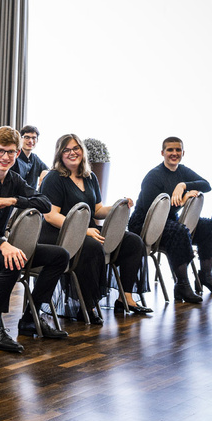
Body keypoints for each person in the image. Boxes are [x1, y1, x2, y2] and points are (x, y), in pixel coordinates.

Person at [0, 126, 70, 353]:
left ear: (17, 153)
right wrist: (4, 244)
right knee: (13, 260)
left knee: (60, 256)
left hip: (0, 247)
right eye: (1, 151)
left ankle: (30, 318)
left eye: (11, 152)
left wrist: (11, 200)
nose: (5, 157)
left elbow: (45, 204)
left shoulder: (14, 180)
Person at [39, 133, 149, 324]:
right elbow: (51, 215)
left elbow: (97, 210)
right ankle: (86, 305)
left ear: (82, 151)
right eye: (66, 150)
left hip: (87, 231)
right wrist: (81, 231)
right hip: (59, 235)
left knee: (133, 242)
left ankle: (126, 298)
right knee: (91, 247)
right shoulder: (54, 178)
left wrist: (117, 205)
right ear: (59, 154)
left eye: (76, 148)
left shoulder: (89, 177)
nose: (72, 153)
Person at [127, 136, 212, 303]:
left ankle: (206, 276)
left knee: (211, 226)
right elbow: (152, 211)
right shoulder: (153, 176)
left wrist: (183, 185)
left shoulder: (182, 171)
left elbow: (206, 185)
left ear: (183, 152)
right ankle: (182, 284)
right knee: (179, 231)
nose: (174, 153)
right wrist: (182, 201)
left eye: (178, 150)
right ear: (162, 153)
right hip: (145, 223)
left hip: (169, 220)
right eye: (170, 150)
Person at [14, 125, 49, 189]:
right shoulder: (14, 157)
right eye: (27, 137)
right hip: (15, 197)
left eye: (33, 138)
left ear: (37, 140)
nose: (30, 141)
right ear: (20, 139)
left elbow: (49, 170)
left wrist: (45, 171)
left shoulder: (35, 158)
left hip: (32, 198)